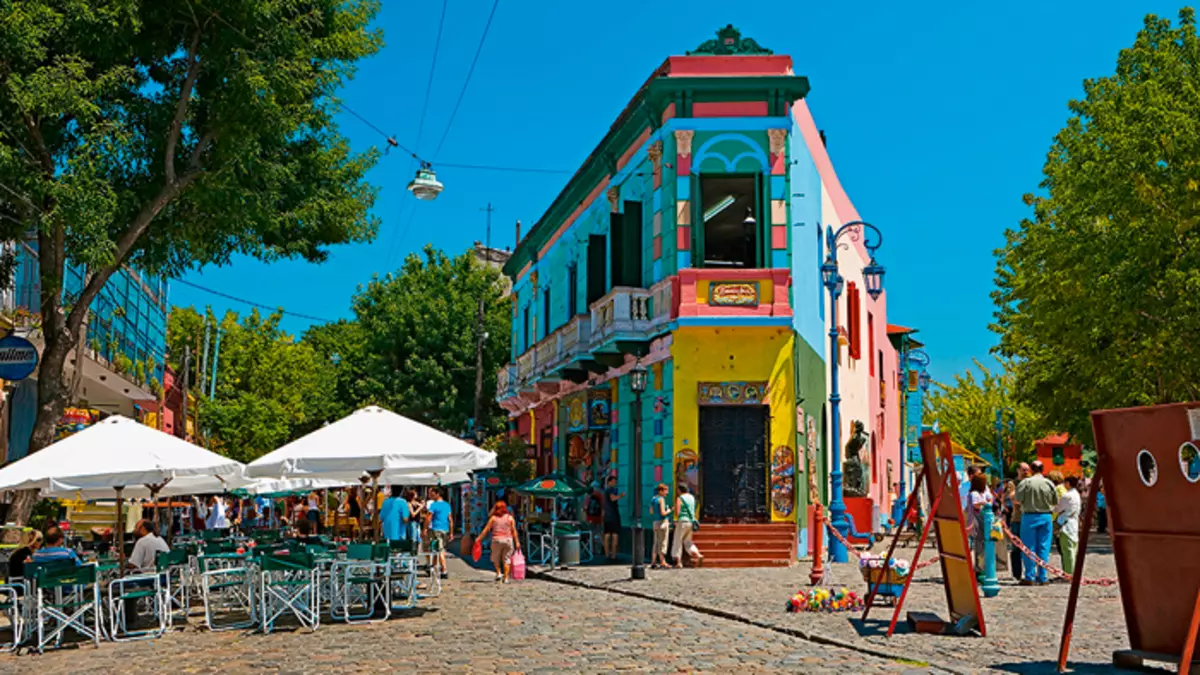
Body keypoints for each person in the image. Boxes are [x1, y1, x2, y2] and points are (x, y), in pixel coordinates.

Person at [1015, 460, 1057, 586]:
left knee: (1029, 548)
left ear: (1031, 469)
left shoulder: (1026, 483)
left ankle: (1029, 576)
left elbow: (1017, 499)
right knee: (1044, 547)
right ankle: (1043, 577)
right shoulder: (1049, 483)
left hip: (1029, 516)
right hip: (1046, 516)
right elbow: (1055, 501)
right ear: (1043, 469)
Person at [478, 500, 520, 583]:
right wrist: (517, 542)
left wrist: (479, 538)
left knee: (495, 558)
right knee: (507, 559)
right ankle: (506, 578)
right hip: (508, 540)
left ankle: (499, 573)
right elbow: (514, 531)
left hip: (497, 540)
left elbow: (486, 530)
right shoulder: (510, 518)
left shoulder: (493, 518)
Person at [1053, 475, 1082, 576]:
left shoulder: (1067, 496)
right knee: (1073, 549)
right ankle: (1071, 572)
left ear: (1068, 483)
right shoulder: (1077, 494)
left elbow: (1057, 509)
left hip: (1065, 524)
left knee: (1067, 551)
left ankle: (1068, 573)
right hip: (1073, 523)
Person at [966, 474, 994, 573]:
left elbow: (990, 499)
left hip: (982, 521)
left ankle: (982, 567)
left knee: (982, 544)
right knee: (977, 545)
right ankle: (977, 569)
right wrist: (984, 503)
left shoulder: (983, 493)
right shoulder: (974, 493)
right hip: (975, 521)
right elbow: (975, 506)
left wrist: (987, 501)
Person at [671, 484, 702, 568]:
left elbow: (677, 512)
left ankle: (678, 562)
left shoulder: (680, 498)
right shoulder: (692, 498)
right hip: (691, 521)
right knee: (688, 541)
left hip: (682, 521)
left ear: (679, 490)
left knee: (677, 541)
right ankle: (697, 554)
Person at [1008, 463, 1030, 580]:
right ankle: (1017, 573)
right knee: (1016, 547)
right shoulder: (1013, 483)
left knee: (1029, 547)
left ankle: (1029, 573)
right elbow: (1013, 497)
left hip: (1029, 517)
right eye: (1023, 469)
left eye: (1027, 469)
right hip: (1017, 518)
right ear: (1018, 470)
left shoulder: (1031, 482)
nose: (1026, 472)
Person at [426, 487, 453, 579]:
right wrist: (451, 532)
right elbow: (450, 519)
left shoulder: (434, 505)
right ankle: (432, 567)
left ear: (437, 494)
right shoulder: (447, 505)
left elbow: (428, 517)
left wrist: (424, 529)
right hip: (445, 529)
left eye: (432, 493)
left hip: (436, 529)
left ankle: (444, 570)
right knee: (437, 548)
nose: (430, 495)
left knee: (439, 549)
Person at [602, 476, 625, 561]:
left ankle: (607, 554)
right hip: (613, 515)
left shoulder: (606, 490)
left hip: (607, 516)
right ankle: (613, 555)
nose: (615, 483)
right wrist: (620, 496)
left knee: (607, 535)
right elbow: (613, 498)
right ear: (609, 482)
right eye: (614, 481)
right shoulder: (611, 489)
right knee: (614, 535)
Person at [649, 483, 671, 569]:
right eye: (666, 491)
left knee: (656, 542)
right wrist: (669, 510)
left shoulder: (653, 499)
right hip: (662, 522)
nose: (667, 493)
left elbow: (651, 511)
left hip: (655, 522)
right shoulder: (661, 499)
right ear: (661, 491)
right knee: (663, 542)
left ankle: (653, 561)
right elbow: (663, 512)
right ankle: (662, 561)